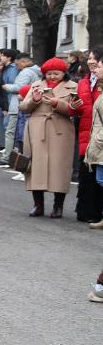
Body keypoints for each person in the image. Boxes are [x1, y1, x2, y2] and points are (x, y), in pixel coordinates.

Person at [20, 57, 80, 218]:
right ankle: (38, 204)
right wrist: (34, 100)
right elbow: (23, 107)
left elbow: (75, 110)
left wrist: (56, 103)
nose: (52, 77)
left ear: (64, 73)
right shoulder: (36, 85)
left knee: (60, 167)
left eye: (56, 73)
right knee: (36, 167)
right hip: (37, 128)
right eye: (49, 74)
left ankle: (58, 205)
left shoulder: (73, 87)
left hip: (61, 128)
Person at [72, 48, 102, 224]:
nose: (91, 62)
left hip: (99, 135)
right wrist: (73, 106)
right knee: (86, 175)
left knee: (98, 177)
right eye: (89, 58)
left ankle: (97, 212)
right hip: (85, 134)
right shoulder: (83, 83)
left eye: (95, 59)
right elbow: (76, 110)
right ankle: (85, 211)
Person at [82, 58, 103, 231]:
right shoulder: (101, 90)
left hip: (100, 142)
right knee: (100, 179)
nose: (95, 70)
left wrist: (98, 139)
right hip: (98, 143)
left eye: (99, 67)